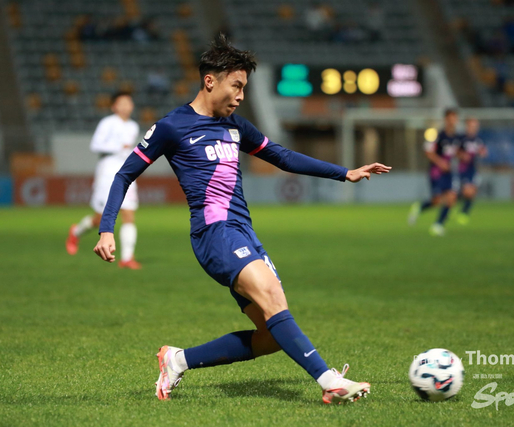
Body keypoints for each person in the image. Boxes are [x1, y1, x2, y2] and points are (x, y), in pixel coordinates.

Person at [93, 34, 391, 404]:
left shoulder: (236, 126)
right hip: (213, 233)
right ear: (210, 81)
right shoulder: (173, 126)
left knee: (270, 336)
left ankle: (177, 360)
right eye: (236, 85)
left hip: (244, 233)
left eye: (244, 88)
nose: (241, 96)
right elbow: (124, 175)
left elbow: (281, 156)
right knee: (273, 297)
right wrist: (107, 229)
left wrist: (344, 173)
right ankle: (330, 381)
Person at [66, 92, 142, 269]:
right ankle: (76, 232)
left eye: (129, 103)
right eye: (122, 103)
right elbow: (95, 145)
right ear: (114, 106)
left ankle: (127, 258)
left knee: (129, 213)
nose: (126, 106)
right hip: (107, 173)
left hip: (127, 173)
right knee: (100, 219)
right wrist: (118, 147)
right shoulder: (107, 123)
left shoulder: (133, 126)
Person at [407, 109, 460, 236]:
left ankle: (438, 225)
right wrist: (441, 162)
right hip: (436, 172)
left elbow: (457, 152)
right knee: (437, 200)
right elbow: (428, 152)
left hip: (448, 172)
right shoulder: (438, 135)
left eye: (454, 118)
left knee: (451, 198)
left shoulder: (457, 138)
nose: (452, 121)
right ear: (445, 119)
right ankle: (420, 207)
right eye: (450, 118)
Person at [456, 118, 487, 225]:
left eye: (475, 126)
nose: (473, 128)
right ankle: (454, 204)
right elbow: (455, 151)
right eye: (472, 126)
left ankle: (463, 212)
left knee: (472, 192)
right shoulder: (462, 138)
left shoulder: (478, 139)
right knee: (467, 191)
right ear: (467, 126)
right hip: (463, 168)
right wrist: (462, 155)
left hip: (473, 168)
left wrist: (482, 153)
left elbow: (483, 151)